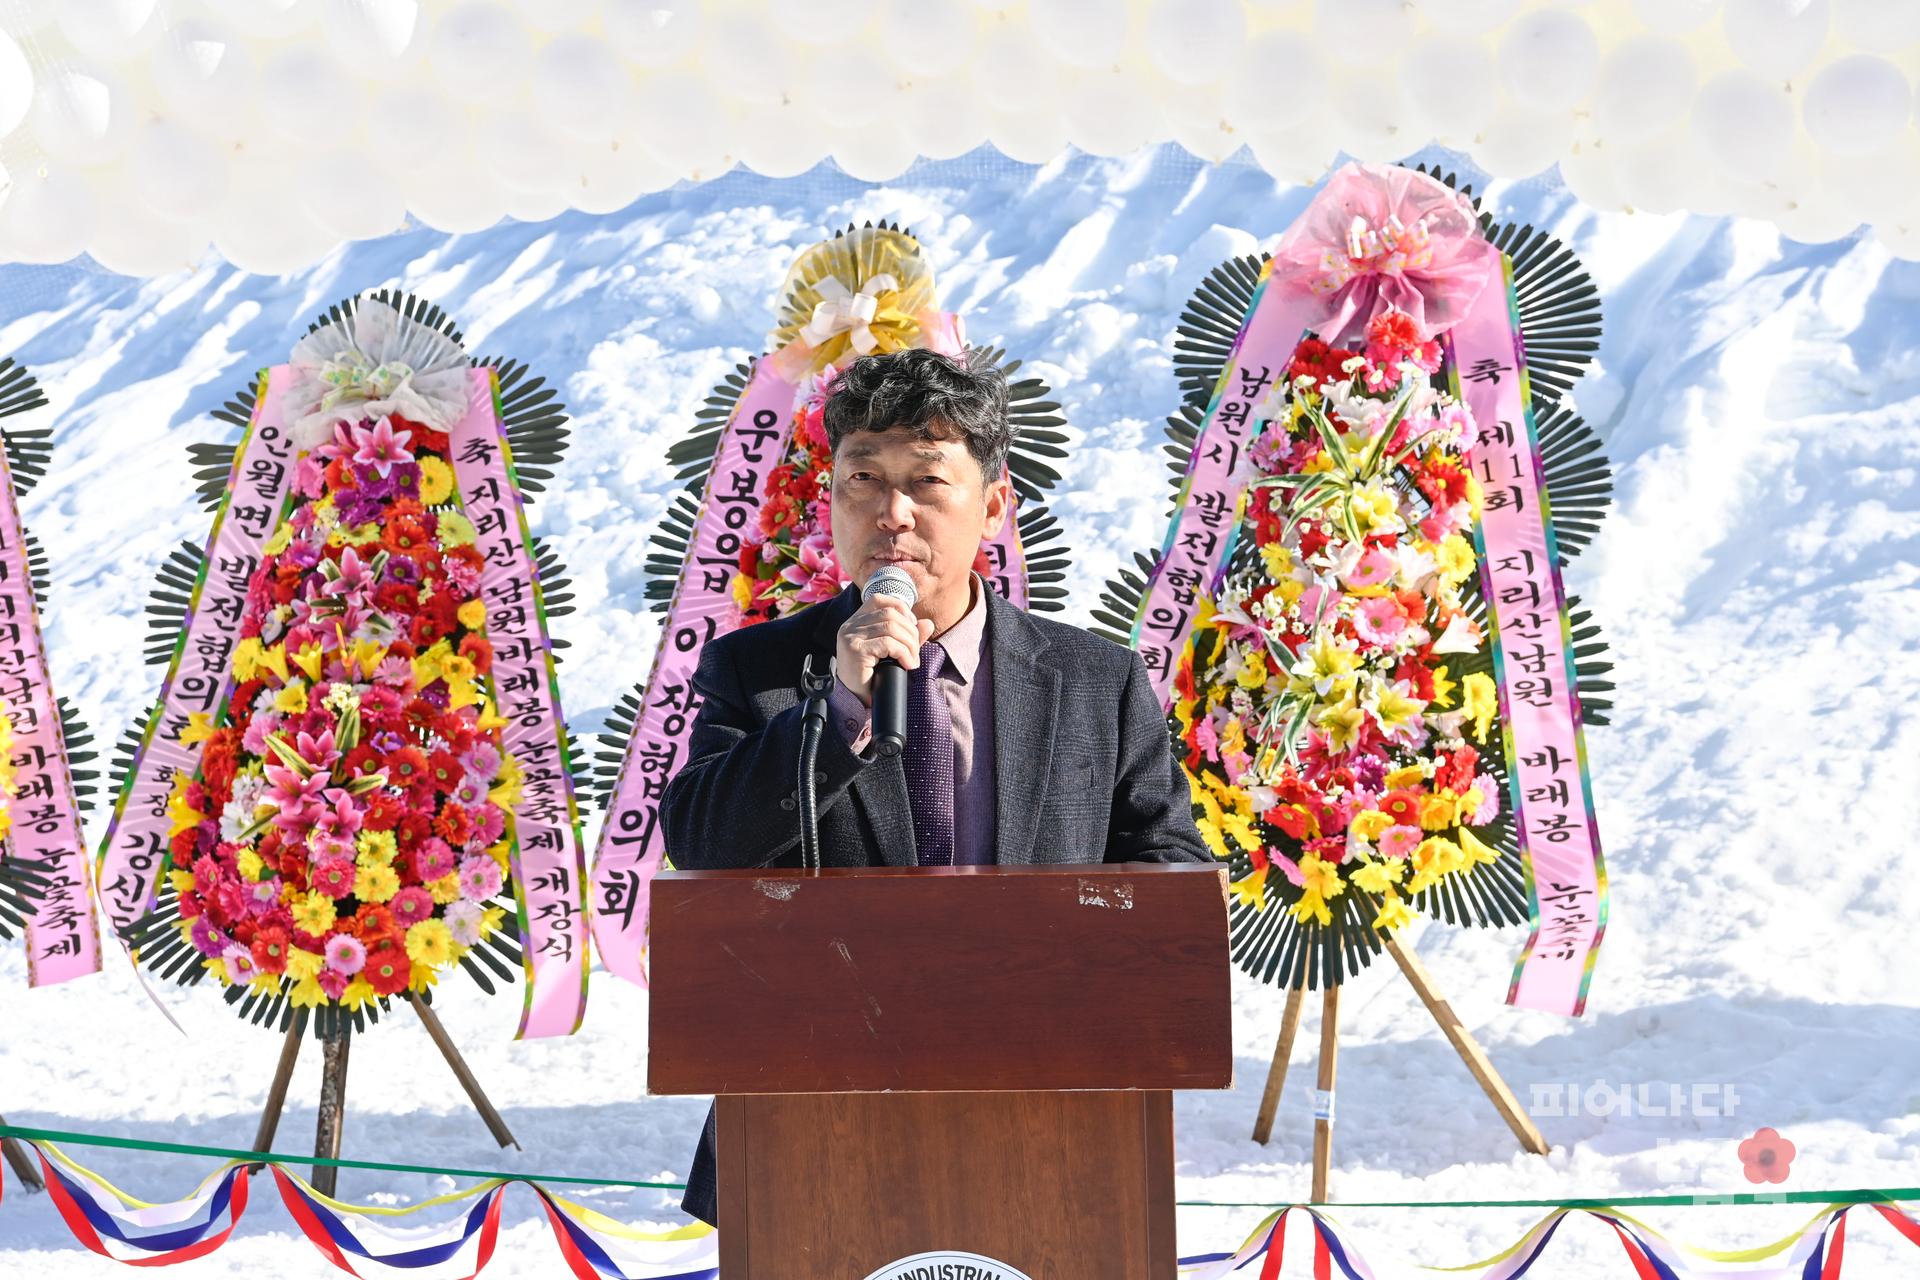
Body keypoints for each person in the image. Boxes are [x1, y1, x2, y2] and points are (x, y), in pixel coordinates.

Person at [659, 346, 1212, 1227]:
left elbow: (1169, 877)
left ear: (993, 505)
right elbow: (700, 845)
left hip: (1049, 1130)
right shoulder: (757, 671)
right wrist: (836, 711)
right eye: (864, 480)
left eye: (926, 481)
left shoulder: (1093, 680)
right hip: (814, 1130)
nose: (893, 513)